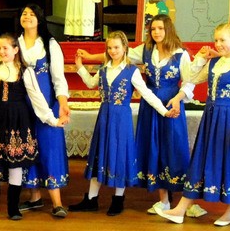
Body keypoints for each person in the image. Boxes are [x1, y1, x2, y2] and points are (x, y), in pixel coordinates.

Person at [76, 14, 207, 218]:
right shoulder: (146, 50)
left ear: (169, 29)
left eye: (160, 28)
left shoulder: (181, 54)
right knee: (154, 149)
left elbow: (190, 79)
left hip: (171, 103)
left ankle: (186, 201)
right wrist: (89, 58)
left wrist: (177, 99)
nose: (156, 32)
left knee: (175, 149)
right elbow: (116, 54)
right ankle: (163, 201)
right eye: (153, 28)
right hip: (150, 107)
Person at [0, 3, 71, 218]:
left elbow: (58, 79)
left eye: (32, 13)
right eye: (24, 13)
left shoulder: (50, 45)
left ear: (40, 18)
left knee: (48, 148)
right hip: (16, 111)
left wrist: (61, 104)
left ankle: (57, 202)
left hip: (43, 103)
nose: (27, 16)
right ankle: (31, 198)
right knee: (20, 154)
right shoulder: (12, 43)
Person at [154, 23, 230, 226]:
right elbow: (190, 77)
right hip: (211, 117)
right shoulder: (214, 62)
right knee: (201, 158)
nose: (218, 44)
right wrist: (200, 58)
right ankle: (180, 209)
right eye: (216, 40)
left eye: (222, 40)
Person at [69, 30, 178, 216]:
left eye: (116, 47)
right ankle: (91, 199)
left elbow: (147, 94)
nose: (113, 51)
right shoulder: (104, 69)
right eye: (109, 48)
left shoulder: (132, 71)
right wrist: (80, 67)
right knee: (99, 155)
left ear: (125, 48)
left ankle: (118, 200)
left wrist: (164, 111)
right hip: (104, 116)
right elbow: (90, 83)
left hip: (121, 119)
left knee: (119, 155)